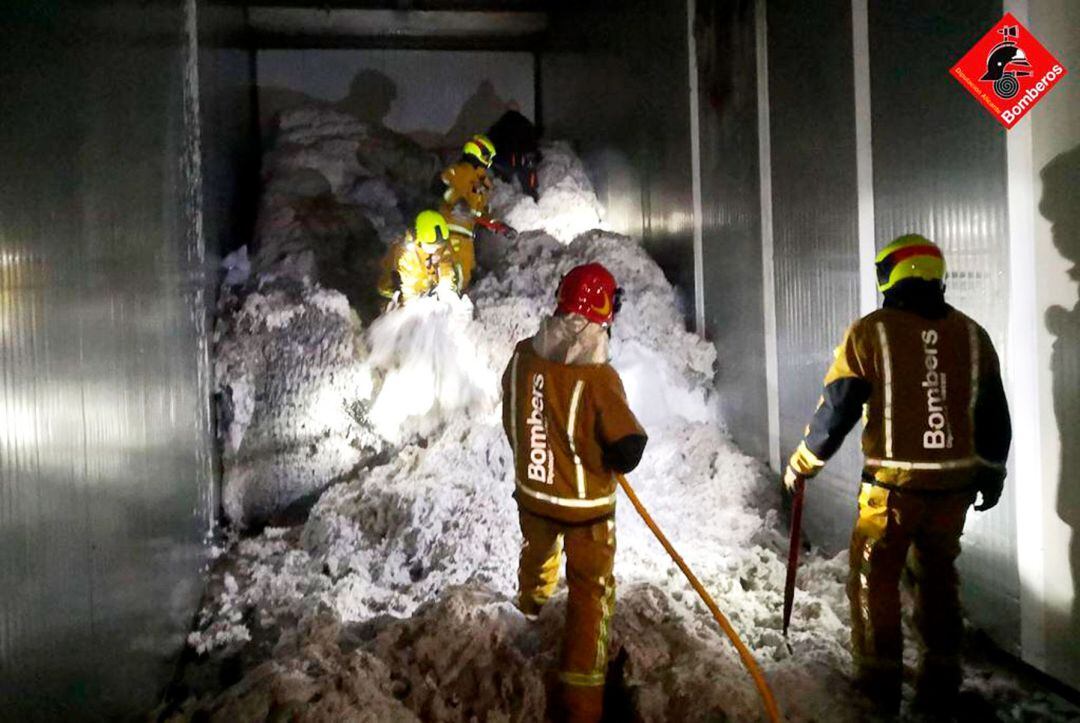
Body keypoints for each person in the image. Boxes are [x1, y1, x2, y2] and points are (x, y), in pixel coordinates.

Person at [782, 234, 1012, 715]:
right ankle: (940, 682)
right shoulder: (972, 335)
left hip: (891, 495)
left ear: (891, 275)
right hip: (953, 492)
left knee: (873, 579)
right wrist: (991, 474)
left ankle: (878, 685)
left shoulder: (872, 332)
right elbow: (992, 413)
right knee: (939, 578)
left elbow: (837, 409)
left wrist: (804, 463)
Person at [501, 263, 646, 723]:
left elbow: (513, 415)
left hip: (534, 497)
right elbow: (626, 445)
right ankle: (581, 704)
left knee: (537, 561)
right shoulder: (599, 377)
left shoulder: (524, 356)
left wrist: (537, 465)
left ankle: (529, 616)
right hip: (586, 512)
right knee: (590, 595)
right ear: (603, 310)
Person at [439, 134, 516, 291]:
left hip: (466, 236)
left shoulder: (482, 183)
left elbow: (479, 213)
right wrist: (457, 200)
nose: (489, 161)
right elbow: (441, 186)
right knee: (456, 274)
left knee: (466, 273)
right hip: (450, 232)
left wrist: (499, 226)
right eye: (488, 156)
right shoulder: (460, 171)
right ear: (477, 152)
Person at [377, 210, 461, 306]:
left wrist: (446, 285)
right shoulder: (407, 254)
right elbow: (411, 289)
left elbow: (447, 263)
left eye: (437, 246)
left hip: (425, 286)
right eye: (432, 246)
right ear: (419, 239)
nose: (435, 249)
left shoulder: (441, 241)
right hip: (393, 291)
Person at [487, 110, 541, 201]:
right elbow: (534, 143)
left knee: (504, 174)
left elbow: (492, 141)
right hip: (523, 158)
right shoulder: (526, 125)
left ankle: (506, 188)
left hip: (509, 159)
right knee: (528, 172)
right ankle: (532, 196)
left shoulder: (500, 126)